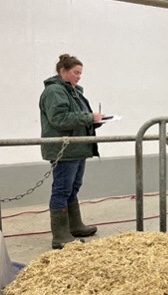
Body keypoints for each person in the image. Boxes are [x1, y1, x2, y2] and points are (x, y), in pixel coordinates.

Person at [39, 54, 104, 249]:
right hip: (64, 149)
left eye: (80, 73)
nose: (79, 76)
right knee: (62, 189)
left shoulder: (73, 91)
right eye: (76, 72)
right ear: (63, 71)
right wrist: (88, 118)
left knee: (72, 188)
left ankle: (75, 226)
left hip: (77, 147)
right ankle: (60, 236)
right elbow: (59, 119)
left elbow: (77, 117)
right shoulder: (55, 92)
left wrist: (95, 121)